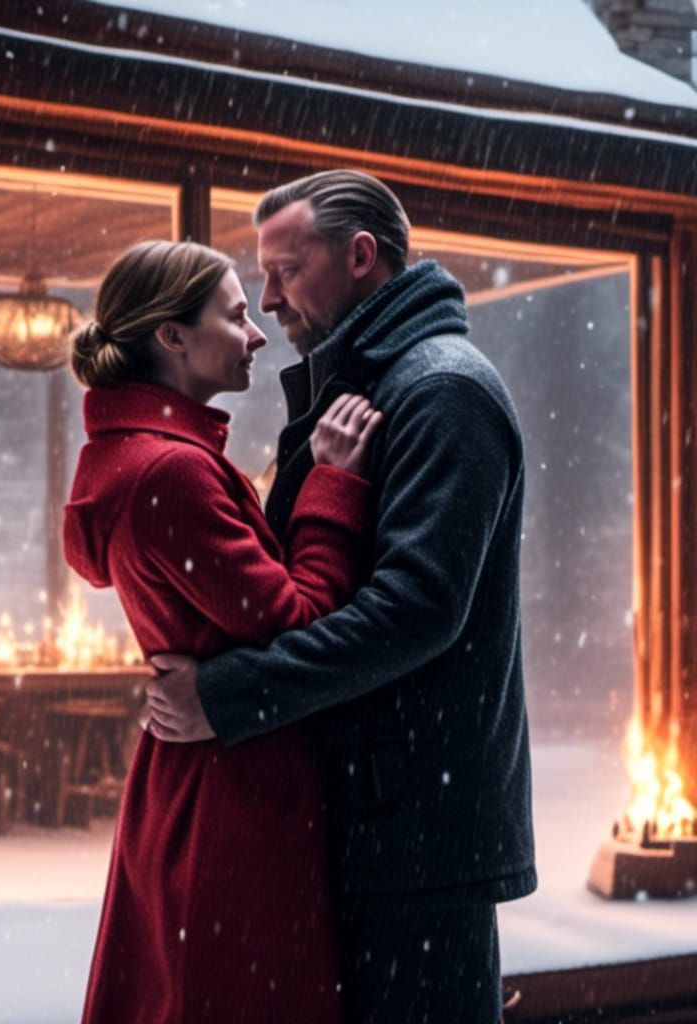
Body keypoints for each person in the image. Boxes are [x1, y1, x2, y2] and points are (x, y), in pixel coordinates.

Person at [145, 170, 537, 1023]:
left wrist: (228, 696)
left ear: (361, 257)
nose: (268, 297)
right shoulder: (367, 389)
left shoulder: (441, 392)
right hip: (376, 823)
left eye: (287, 269)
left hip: (413, 843)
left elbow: (415, 611)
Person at [62, 239, 383, 1023]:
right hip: (235, 793)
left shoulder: (133, 459)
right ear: (171, 336)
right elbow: (304, 616)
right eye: (237, 315)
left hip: (193, 778)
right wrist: (335, 485)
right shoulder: (172, 472)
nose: (258, 332)